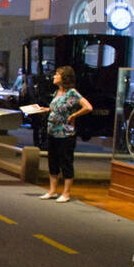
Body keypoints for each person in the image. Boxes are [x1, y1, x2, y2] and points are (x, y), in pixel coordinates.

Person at [36, 65, 92, 203]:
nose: (54, 76)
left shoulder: (72, 93)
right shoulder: (57, 93)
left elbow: (88, 107)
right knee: (52, 161)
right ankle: (52, 190)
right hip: (52, 131)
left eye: (57, 74)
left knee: (66, 161)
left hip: (65, 133)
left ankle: (66, 193)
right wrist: (46, 109)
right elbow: (55, 108)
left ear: (64, 77)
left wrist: (74, 115)